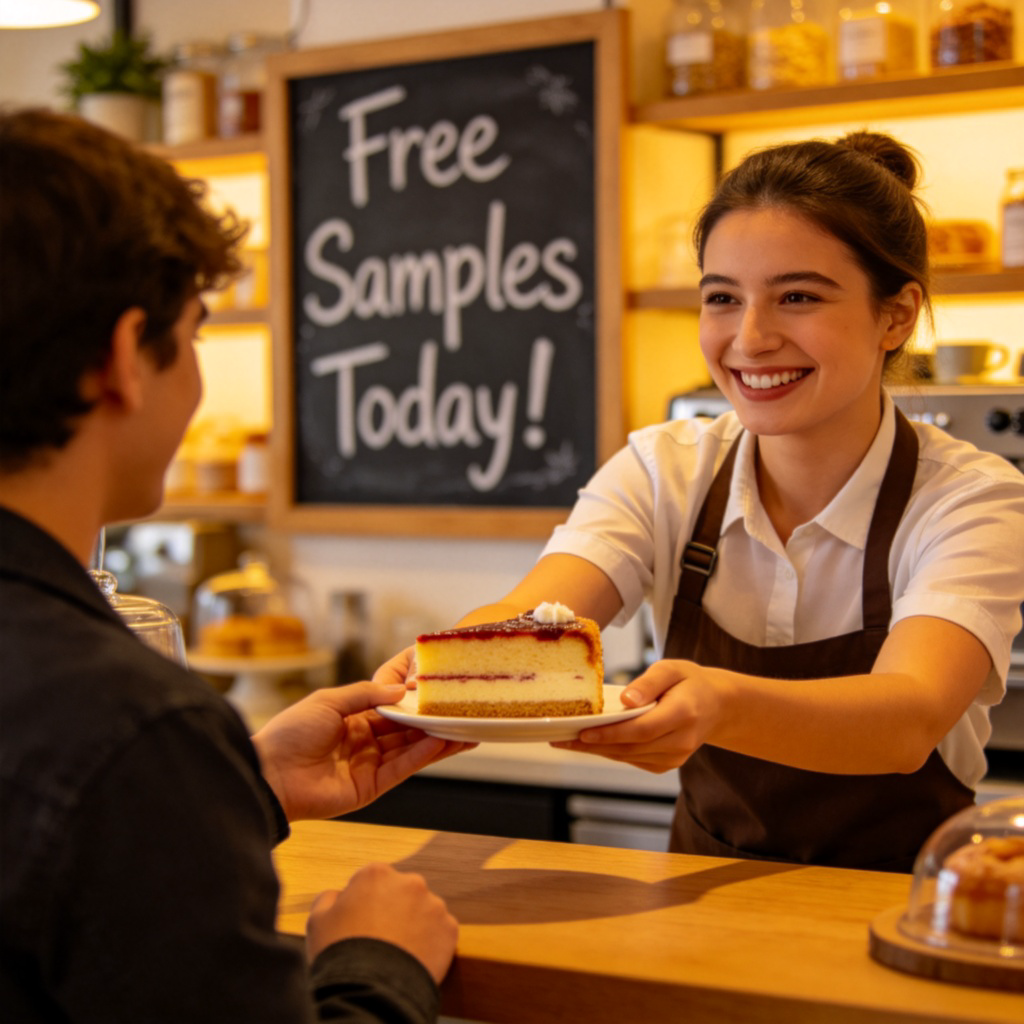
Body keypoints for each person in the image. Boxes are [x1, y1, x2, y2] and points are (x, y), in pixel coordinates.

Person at [382, 131, 1024, 872]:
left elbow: (906, 718)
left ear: (897, 316)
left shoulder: (971, 498)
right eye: (723, 298)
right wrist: (440, 669)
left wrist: (718, 703)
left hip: (908, 909)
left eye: (798, 297)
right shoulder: (664, 470)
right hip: (704, 894)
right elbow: (539, 614)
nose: (750, 338)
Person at [0, 106, 467, 1023]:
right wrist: (378, 963)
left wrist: (232, 792)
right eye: (199, 332)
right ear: (127, 357)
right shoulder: (131, 726)